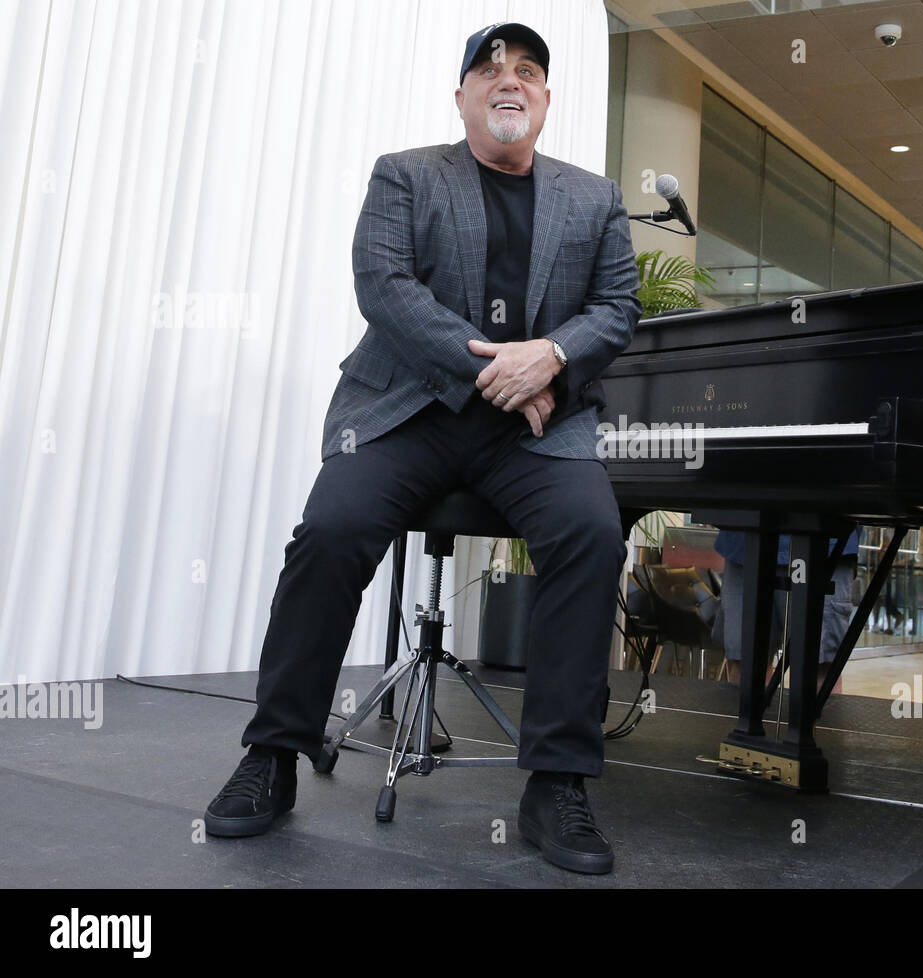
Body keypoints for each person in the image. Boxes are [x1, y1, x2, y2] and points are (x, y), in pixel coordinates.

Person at [202, 23, 641, 875]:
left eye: (529, 71)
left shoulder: (595, 197)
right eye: (490, 68)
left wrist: (548, 357)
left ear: (547, 100)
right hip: (409, 410)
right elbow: (385, 287)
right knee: (330, 532)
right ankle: (273, 754)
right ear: (462, 95)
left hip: (537, 427)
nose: (509, 80)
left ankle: (555, 784)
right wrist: (498, 369)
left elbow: (618, 308)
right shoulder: (407, 175)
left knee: (591, 535)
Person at [712, 528, 860, 693]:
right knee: (745, 664)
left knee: (817, 667)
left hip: (821, 544)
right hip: (744, 541)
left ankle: (820, 719)